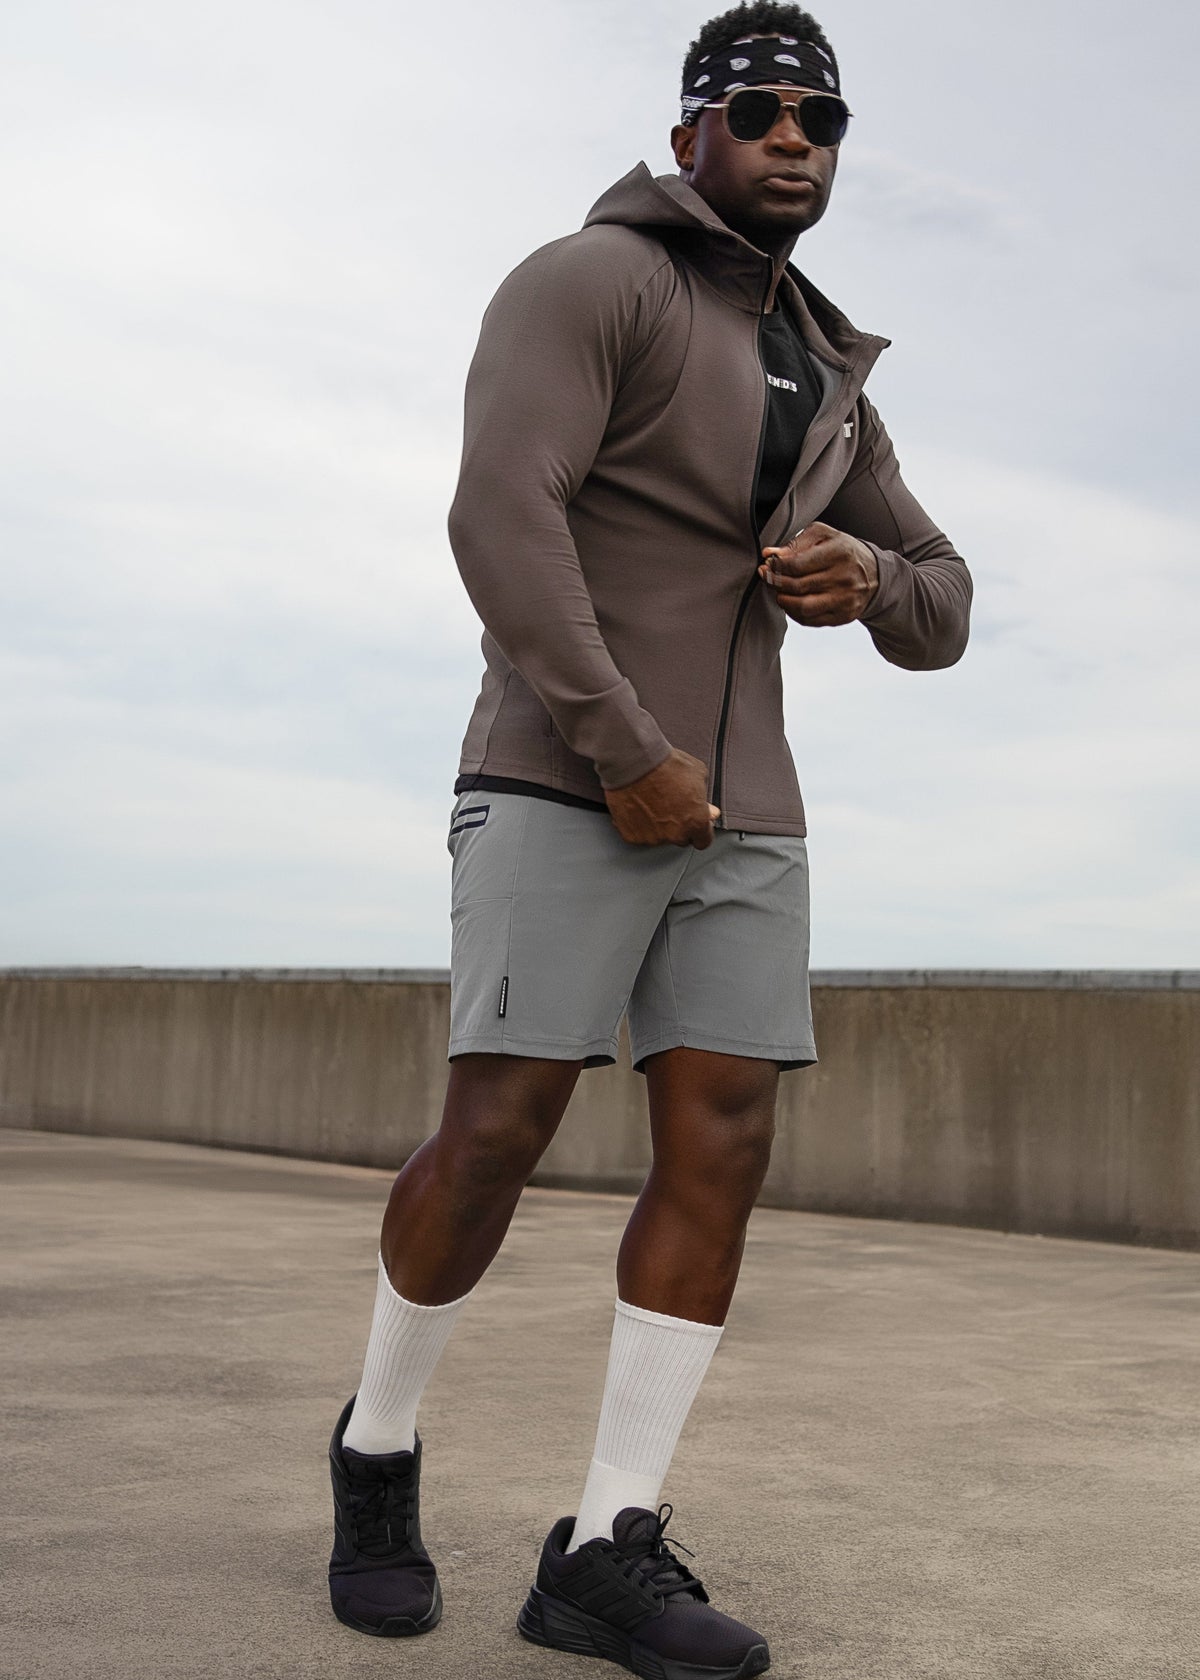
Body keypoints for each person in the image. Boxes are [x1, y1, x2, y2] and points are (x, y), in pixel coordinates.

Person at [325, 4, 972, 1676]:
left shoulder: (830, 368)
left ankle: (605, 1545)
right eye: (756, 110)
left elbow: (945, 603)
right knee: (498, 1132)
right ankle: (377, 1452)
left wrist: (868, 580)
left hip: (748, 817)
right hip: (561, 778)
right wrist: (623, 751)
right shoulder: (586, 279)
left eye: (821, 120)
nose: (793, 140)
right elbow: (500, 510)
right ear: (688, 130)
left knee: (723, 1147)